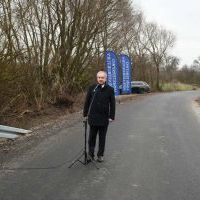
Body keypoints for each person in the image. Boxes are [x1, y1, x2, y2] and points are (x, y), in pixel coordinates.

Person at [83, 71, 116, 162]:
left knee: (102, 138)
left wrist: (111, 116)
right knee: (91, 138)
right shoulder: (92, 88)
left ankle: (100, 155)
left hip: (104, 118)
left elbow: (112, 104)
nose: (100, 79)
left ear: (105, 78)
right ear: (97, 78)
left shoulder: (110, 89)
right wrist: (85, 114)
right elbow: (87, 102)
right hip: (93, 117)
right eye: (99, 77)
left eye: (102, 77)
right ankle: (90, 154)